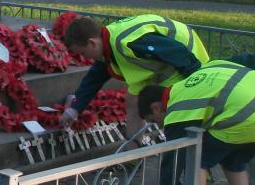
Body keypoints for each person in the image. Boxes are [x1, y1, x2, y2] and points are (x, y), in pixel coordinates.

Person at [60, 14, 210, 134]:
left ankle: (180, 149)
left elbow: (178, 53)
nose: (86, 57)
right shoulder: (107, 41)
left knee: (170, 111)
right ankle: (133, 154)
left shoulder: (129, 43)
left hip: (189, 60)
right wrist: (75, 108)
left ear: (92, 43)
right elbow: (95, 78)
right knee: (133, 101)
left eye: (83, 52)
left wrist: (196, 82)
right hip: (166, 64)